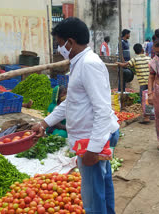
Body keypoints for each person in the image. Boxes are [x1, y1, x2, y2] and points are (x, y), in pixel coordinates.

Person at [32, 17, 119, 214]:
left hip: (91, 140)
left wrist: (93, 149)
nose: (59, 49)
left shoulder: (88, 64)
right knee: (102, 188)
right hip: (91, 137)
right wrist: (45, 123)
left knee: (93, 197)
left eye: (60, 44)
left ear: (70, 43)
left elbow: (102, 110)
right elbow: (71, 102)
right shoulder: (80, 63)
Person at [116, 43, 152, 123]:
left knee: (143, 99)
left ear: (135, 52)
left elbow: (125, 65)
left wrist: (118, 63)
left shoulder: (135, 59)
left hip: (143, 83)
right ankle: (150, 115)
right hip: (150, 82)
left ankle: (146, 118)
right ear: (142, 50)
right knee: (149, 98)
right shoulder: (149, 58)